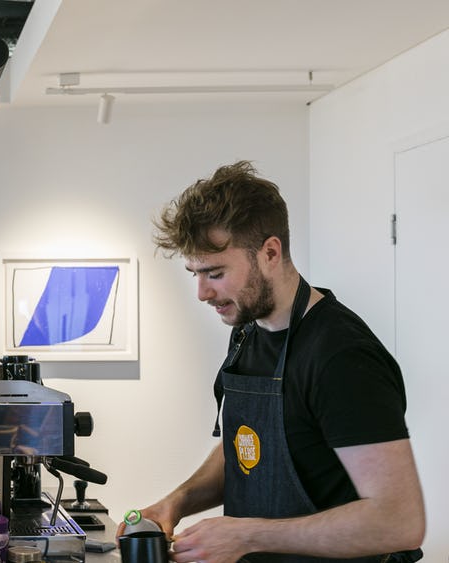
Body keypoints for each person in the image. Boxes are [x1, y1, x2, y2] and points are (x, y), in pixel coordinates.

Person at [139, 161, 425, 563]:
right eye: (194, 274)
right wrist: (178, 502)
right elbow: (247, 447)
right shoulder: (247, 333)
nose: (202, 292)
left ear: (270, 252)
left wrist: (246, 536)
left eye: (216, 273)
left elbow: (398, 521)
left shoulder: (341, 357)